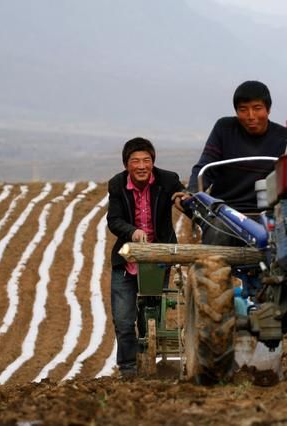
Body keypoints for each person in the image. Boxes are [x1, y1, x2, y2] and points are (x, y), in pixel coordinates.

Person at [185, 80, 287, 244]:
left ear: (268, 109)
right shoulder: (224, 129)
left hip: (270, 214)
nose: (251, 116)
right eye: (243, 110)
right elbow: (205, 167)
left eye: (257, 108)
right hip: (227, 213)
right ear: (236, 112)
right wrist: (190, 193)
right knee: (217, 230)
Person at [107, 137, 186, 379]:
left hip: (158, 257)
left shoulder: (167, 179)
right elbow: (114, 220)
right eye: (135, 161)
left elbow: (180, 195)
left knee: (151, 314)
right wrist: (132, 231)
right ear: (126, 165)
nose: (142, 166)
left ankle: (149, 360)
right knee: (123, 320)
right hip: (128, 260)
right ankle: (129, 370)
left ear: (153, 162)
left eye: (146, 160)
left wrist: (181, 199)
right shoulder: (117, 185)